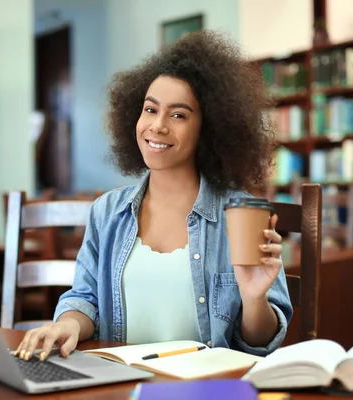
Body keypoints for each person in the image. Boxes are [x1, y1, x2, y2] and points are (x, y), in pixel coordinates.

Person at [15, 29, 292, 362]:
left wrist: (254, 298)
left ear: (210, 127)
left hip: (208, 391)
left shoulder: (241, 215)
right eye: (150, 109)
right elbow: (85, 299)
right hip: (120, 385)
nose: (157, 126)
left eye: (178, 115)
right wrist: (69, 324)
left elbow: (260, 345)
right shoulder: (107, 211)